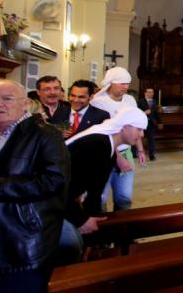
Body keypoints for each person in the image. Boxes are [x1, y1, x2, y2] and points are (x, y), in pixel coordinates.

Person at [0, 79, 70, 293]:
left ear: (25, 104)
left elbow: (54, 182)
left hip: (24, 241)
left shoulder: (45, 136)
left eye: (7, 98)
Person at [60, 107, 148, 263]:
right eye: (139, 129)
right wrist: (81, 220)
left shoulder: (110, 148)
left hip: (63, 201)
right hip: (46, 202)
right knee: (71, 244)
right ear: (124, 126)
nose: (141, 135)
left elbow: (96, 190)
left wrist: (91, 222)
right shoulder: (97, 144)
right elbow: (60, 188)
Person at [90, 67, 145, 210]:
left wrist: (140, 150)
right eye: (121, 83)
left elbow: (136, 125)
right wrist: (118, 158)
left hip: (126, 151)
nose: (125, 87)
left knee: (124, 197)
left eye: (127, 83)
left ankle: (121, 229)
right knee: (99, 197)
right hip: (105, 154)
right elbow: (101, 134)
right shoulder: (98, 102)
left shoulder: (130, 100)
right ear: (110, 83)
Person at [137, 87, 162, 161]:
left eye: (152, 92)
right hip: (142, 124)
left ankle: (152, 155)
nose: (151, 93)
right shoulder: (140, 101)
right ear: (145, 93)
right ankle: (139, 153)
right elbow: (136, 112)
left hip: (151, 123)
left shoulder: (155, 101)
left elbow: (156, 113)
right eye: (149, 92)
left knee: (151, 139)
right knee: (139, 139)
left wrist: (160, 122)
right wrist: (144, 113)